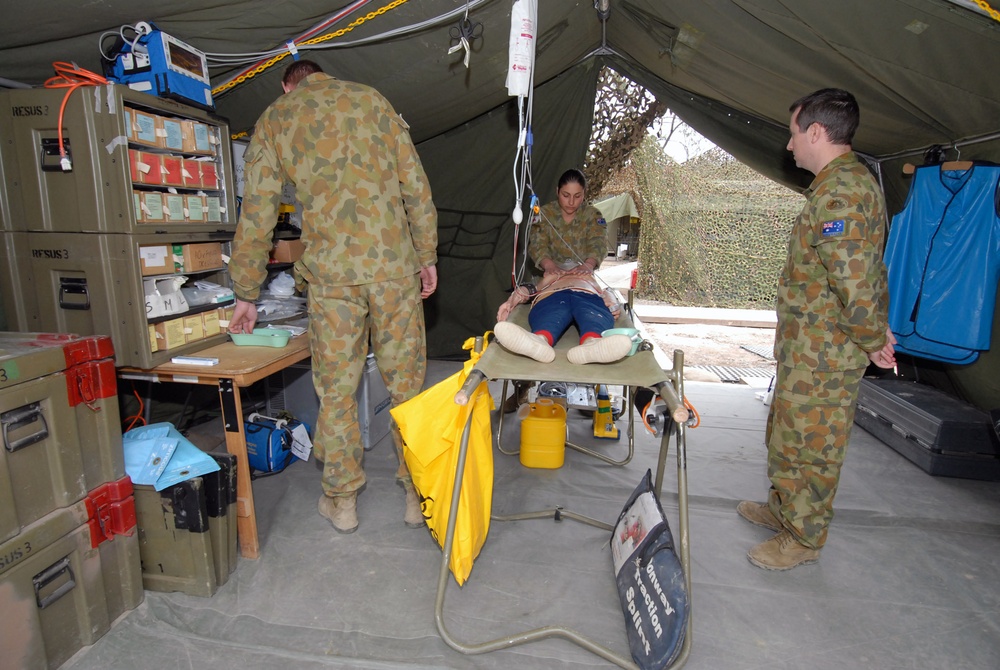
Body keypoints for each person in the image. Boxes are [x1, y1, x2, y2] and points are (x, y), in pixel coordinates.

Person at [228, 60, 438, 535]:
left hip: (333, 279)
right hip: (393, 271)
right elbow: (415, 188)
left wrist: (245, 291)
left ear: (288, 85)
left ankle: (342, 503)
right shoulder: (373, 100)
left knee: (338, 393)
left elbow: (257, 213)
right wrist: (426, 254)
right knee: (407, 387)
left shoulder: (277, 118)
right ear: (325, 76)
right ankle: (415, 495)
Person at [737, 88, 896, 570]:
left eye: (793, 134)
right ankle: (785, 509)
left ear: (817, 133)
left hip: (827, 353)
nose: (789, 147)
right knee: (788, 433)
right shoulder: (837, 185)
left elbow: (854, 279)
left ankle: (803, 537)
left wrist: (873, 339)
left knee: (813, 444)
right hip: (810, 348)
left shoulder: (842, 191)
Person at [493, 271, 634, 364]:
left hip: (587, 295)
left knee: (593, 314)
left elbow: (606, 292)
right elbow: (528, 290)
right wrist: (511, 301)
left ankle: (592, 343)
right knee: (552, 313)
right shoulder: (551, 276)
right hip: (553, 294)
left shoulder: (588, 276)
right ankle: (539, 340)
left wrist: (612, 302)